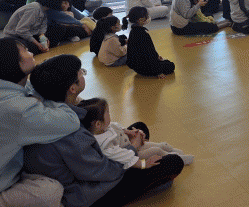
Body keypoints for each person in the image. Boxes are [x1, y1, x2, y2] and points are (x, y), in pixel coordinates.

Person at [22, 54, 184, 207]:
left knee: (139, 127)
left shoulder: (53, 107)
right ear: (72, 88)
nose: (83, 74)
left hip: (91, 162)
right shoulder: (67, 129)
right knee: (173, 163)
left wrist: (125, 137)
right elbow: (103, 171)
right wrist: (132, 149)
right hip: (86, 192)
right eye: (81, 72)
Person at [0, 38, 81, 207]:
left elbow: (31, 91)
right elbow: (71, 121)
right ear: (13, 62)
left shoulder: (10, 89)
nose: (31, 53)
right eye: (24, 50)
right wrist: (52, 97)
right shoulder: (20, 110)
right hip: (4, 181)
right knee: (51, 191)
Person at [78, 98, 193, 166]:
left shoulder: (103, 127)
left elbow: (117, 127)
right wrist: (143, 162)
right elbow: (126, 158)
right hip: (133, 153)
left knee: (161, 145)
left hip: (131, 144)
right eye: (107, 112)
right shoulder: (105, 145)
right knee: (157, 150)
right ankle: (178, 158)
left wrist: (129, 132)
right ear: (98, 124)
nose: (109, 113)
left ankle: (171, 150)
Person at [123, 7, 175, 78]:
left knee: (164, 62)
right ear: (141, 20)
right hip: (146, 68)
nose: (148, 18)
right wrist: (158, 72)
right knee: (171, 65)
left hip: (136, 68)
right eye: (146, 16)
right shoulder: (143, 34)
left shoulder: (132, 32)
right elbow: (149, 53)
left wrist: (157, 57)